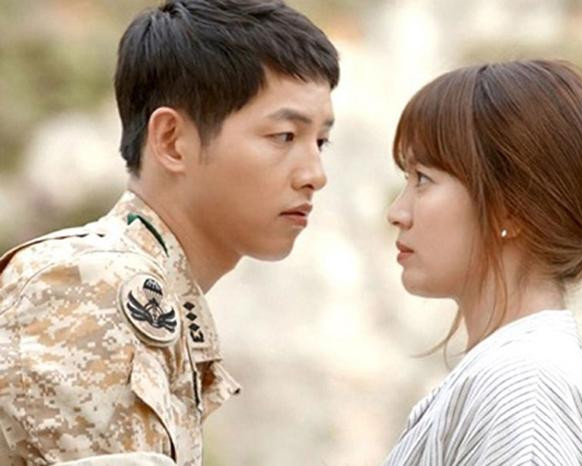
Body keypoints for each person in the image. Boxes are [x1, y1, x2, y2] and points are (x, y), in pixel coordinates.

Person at [0, 0, 339, 464]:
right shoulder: (90, 285)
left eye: (321, 142)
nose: (315, 175)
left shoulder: (158, 300)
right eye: (284, 136)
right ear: (171, 141)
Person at [384, 60, 582, 465]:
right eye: (406, 179)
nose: (397, 212)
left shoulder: (525, 386)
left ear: (511, 209)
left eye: (423, 179)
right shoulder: (514, 376)